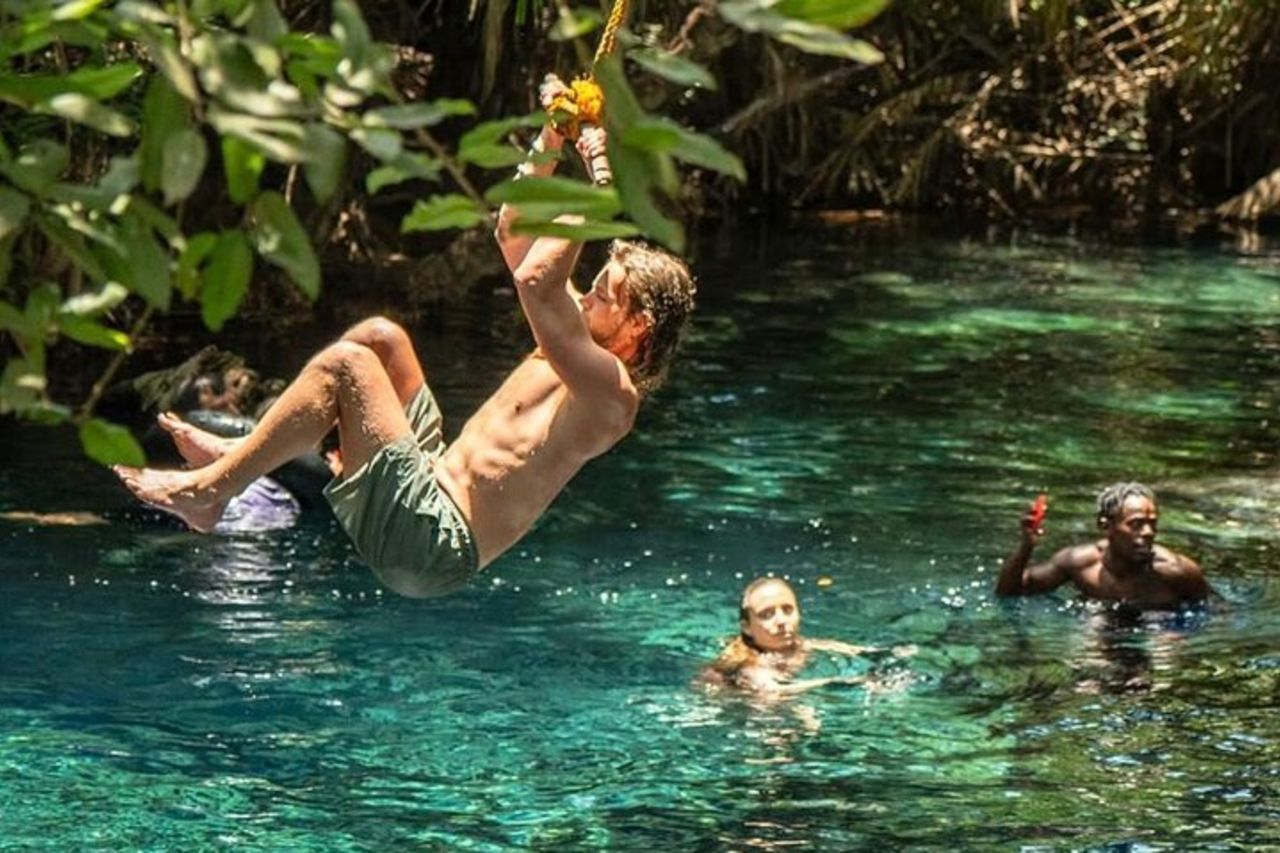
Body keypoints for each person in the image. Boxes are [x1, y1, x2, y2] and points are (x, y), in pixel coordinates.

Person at [114, 100, 697, 599]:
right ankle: (244, 457)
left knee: (348, 367)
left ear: (638, 327)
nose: (588, 295)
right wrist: (549, 141)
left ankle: (210, 492)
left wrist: (598, 188)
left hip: (435, 542)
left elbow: (536, 282)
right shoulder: (579, 340)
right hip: (431, 478)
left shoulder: (611, 396)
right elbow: (512, 231)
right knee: (379, 340)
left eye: (603, 294)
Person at [995, 482, 1213, 607]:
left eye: (1152, 524)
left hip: (1160, 626)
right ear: (1105, 526)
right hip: (1101, 624)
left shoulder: (1177, 571)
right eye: (1136, 524)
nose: (1148, 533)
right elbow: (1010, 592)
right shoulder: (1079, 563)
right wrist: (1026, 546)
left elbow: (1216, 612)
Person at [700, 577, 885, 696]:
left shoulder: (799, 644)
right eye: (767, 614)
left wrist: (882, 653)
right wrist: (835, 683)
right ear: (747, 628)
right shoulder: (751, 664)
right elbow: (774, 692)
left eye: (788, 610)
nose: (781, 620)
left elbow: (832, 647)